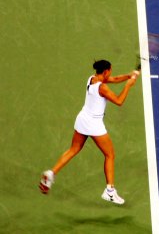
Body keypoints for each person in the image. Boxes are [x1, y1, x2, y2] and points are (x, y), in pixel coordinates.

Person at [39, 60, 140, 205]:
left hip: (82, 119)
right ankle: (110, 191)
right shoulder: (103, 88)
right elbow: (119, 101)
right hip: (94, 124)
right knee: (110, 155)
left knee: (73, 149)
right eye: (110, 70)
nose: (111, 73)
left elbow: (115, 79)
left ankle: (51, 173)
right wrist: (128, 86)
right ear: (105, 71)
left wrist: (129, 75)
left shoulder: (92, 78)